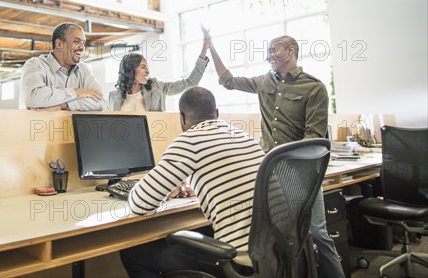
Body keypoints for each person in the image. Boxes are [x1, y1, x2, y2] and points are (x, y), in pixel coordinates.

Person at [207, 33, 345, 278]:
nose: (268, 55)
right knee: (279, 241)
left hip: (302, 177)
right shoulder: (263, 82)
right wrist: (212, 47)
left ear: (290, 51)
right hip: (270, 177)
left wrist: (284, 164)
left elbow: (313, 140)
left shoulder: (314, 88)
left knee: (318, 235)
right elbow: (227, 80)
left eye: (274, 50)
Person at [120, 87, 265, 277]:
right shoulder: (243, 136)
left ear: (182, 117)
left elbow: (141, 204)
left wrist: (159, 189)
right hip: (274, 254)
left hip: (240, 260)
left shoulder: (190, 141)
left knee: (132, 252)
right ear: (217, 113)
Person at [19, 22, 104, 111]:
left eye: (83, 43)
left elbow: (100, 102)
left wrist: (65, 105)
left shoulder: (83, 70)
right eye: (76, 41)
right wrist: (76, 92)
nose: (82, 48)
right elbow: (34, 98)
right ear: (59, 44)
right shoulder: (35, 65)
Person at [108, 38, 210, 111]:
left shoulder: (157, 87)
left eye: (147, 67)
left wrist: (204, 51)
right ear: (130, 70)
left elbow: (189, 83)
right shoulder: (113, 96)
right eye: (143, 67)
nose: (147, 71)